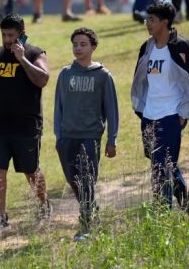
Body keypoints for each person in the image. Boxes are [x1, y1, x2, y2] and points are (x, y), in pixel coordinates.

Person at [130, 1, 189, 211]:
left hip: (171, 115)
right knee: (163, 163)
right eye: (146, 19)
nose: (147, 24)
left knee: (161, 167)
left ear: (165, 22)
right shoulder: (147, 47)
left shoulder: (181, 47)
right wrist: (141, 108)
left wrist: (185, 112)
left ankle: (162, 213)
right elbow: (140, 79)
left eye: (152, 20)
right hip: (149, 115)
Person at [0, 13, 51, 231]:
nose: (7, 40)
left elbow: (43, 79)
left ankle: (44, 206)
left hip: (26, 124)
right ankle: (0, 217)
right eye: (4, 35)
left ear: (22, 35)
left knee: (31, 170)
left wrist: (22, 59)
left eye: (11, 35)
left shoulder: (36, 53)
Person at [54, 28, 118, 241]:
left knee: (87, 180)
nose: (78, 48)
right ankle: (92, 213)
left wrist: (111, 139)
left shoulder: (102, 76)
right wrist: (58, 136)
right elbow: (58, 107)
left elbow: (111, 109)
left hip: (90, 136)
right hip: (66, 137)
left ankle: (86, 225)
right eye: (75, 45)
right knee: (74, 181)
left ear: (93, 47)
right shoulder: (65, 74)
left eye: (83, 44)